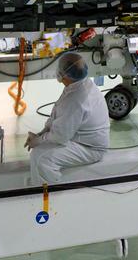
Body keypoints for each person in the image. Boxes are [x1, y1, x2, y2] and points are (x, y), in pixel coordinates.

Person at [25, 52, 109, 184]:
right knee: (40, 149)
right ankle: (40, 184)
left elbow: (60, 136)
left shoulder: (76, 99)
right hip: (80, 138)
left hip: (90, 148)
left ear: (62, 74)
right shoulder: (80, 84)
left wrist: (39, 140)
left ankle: (48, 196)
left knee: (41, 158)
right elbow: (59, 116)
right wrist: (41, 134)